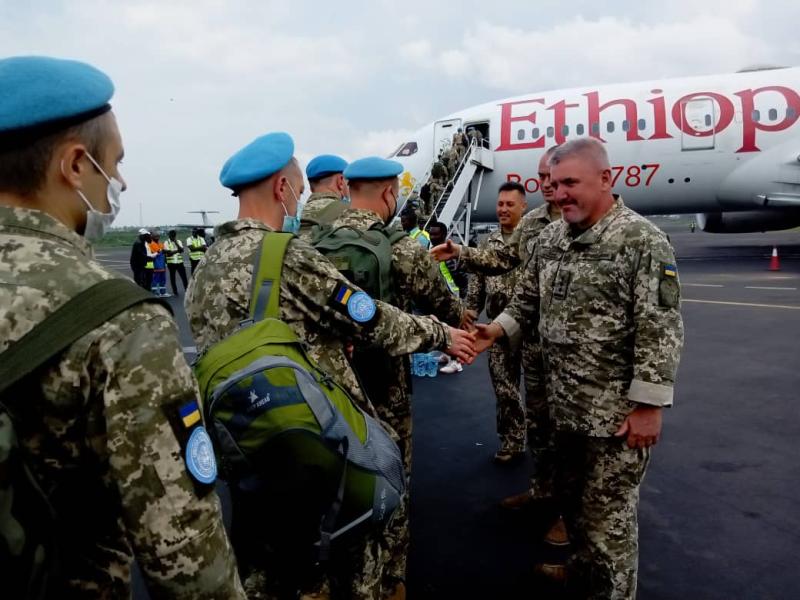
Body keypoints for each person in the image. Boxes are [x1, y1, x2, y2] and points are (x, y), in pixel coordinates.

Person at [184, 132, 476, 600]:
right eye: (297, 187)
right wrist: (443, 334)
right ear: (282, 188)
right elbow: (367, 316)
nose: (300, 197)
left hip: (246, 436)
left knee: (268, 555)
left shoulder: (205, 266)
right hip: (311, 428)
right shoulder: (285, 254)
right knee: (351, 550)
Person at [0, 55, 244, 598]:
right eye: (115, 163)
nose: (120, 181)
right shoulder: (118, 322)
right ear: (75, 165)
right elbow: (185, 560)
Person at [474, 138, 684, 599]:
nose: (560, 192)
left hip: (614, 419)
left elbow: (660, 327)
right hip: (562, 410)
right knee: (572, 507)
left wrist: (648, 405)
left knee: (607, 522)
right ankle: (585, 574)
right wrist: (496, 330)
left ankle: (611, 590)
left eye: (571, 182)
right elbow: (526, 300)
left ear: (606, 179)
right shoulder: (551, 239)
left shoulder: (641, 240)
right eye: (552, 183)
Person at [330, 156, 470, 599]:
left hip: (332, 386)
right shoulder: (403, 247)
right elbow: (447, 306)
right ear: (390, 193)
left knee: (339, 478)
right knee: (392, 479)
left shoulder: (310, 245)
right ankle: (391, 580)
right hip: (386, 384)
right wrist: (463, 326)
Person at [431, 147, 566, 548]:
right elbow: (502, 263)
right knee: (538, 420)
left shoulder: (623, 232)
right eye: (545, 177)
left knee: (569, 431)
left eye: (558, 178)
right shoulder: (537, 225)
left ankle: (568, 514)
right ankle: (543, 489)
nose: (550, 185)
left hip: (564, 347)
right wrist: (460, 253)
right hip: (513, 328)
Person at [465, 182, 527, 465]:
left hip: (532, 328)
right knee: (504, 389)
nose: (503, 209)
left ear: (523, 207)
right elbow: (477, 282)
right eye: (500, 204)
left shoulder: (533, 240)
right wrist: (470, 312)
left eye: (509, 204)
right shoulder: (488, 244)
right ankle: (512, 441)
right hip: (496, 330)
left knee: (542, 394)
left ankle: (545, 447)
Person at [427, 221, 464, 374]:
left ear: (443, 234)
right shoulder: (432, 250)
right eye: (431, 233)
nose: (432, 236)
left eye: (436, 234)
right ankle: (446, 354)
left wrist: (462, 296)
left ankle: (457, 362)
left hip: (452, 295)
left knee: (455, 328)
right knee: (444, 326)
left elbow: (461, 276)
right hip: (440, 296)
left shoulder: (450, 253)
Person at [303, 153, 350, 222]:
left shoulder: (293, 214)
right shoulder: (349, 212)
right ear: (340, 182)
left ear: (310, 187)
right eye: (348, 182)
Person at [163, 228, 188, 296]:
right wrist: (177, 251)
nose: (173, 237)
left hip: (179, 262)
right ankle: (175, 291)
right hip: (171, 263)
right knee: (172, 277)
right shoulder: (166, 242)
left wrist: (176, 243)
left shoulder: (178, 241)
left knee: (184, 277)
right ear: (169, 235)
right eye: (171, 235)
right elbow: (169, 253)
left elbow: (182, 250)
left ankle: (187, 290)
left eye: (174, 235)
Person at [148, 230, 169, 297]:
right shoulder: (151, 244)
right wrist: (162, 251)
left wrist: (165, 261)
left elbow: (164, 252)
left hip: (162, 264)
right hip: (155, 265)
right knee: (154, 280)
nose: (157, 237)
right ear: (152, 237)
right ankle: (154, 293)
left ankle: (163, 292)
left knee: (163, 280)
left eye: (158, 236)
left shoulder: (160, 244)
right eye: (155, 236)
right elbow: (155, 253)